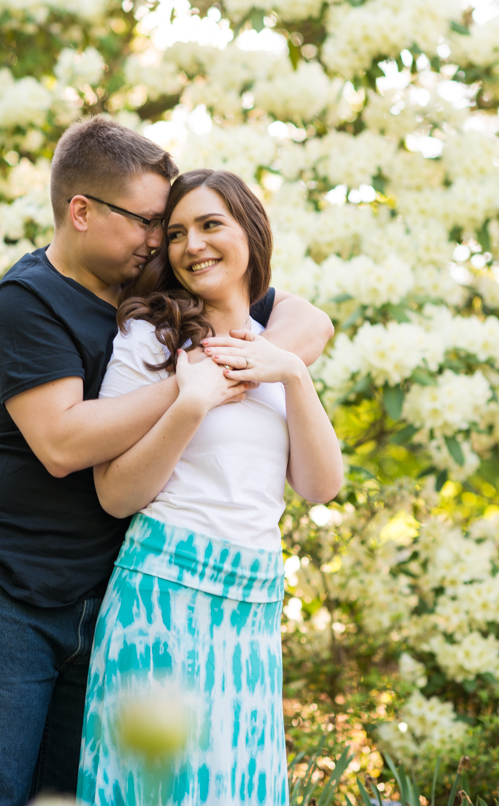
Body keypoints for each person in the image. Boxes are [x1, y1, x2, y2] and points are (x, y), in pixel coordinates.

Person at [0, 118, 334, 806]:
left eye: (166, 224)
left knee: (71, 794)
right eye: (149, 222)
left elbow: (305, 319)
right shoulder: (26, 304)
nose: (161, 242)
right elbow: (63, 444)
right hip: (3, 592)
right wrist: (190, 384)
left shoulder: (158, 286)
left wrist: (274, 365)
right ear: (80, 211)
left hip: (107, 591)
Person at [78, 169, 343, 806]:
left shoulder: (275, 347)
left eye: (210, 224)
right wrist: (189, 405)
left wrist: (294, 378)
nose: (191, 244)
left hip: (252, 601)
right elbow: (114, 494)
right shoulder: (149, 339)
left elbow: (320, 485)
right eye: (175, 233)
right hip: (165, 594)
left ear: (250, 232)